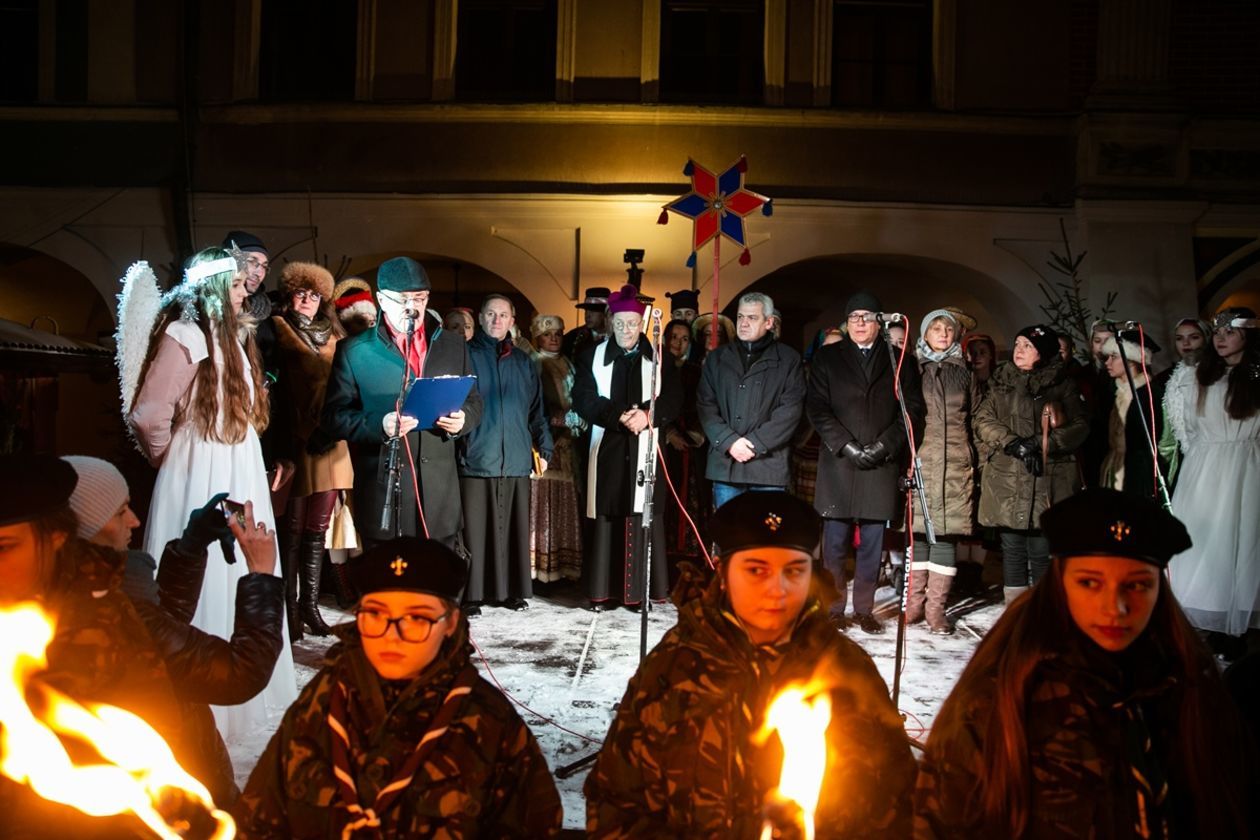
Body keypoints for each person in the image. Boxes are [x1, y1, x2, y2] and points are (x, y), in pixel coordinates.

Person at [914, 488, 1253, 839]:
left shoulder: (1191, 690)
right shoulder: (1000, 697)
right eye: (1090, 582)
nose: (1115, 607)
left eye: (1137, 585)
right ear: (1059, 584)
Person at [585, 490, 916, 837]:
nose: (777, 589)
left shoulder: (848, 671)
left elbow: (899, 805)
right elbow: (615, 804)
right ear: (723, 574)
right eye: (756, 570)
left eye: (794, 571)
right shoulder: (675, 667)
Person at [233, 537, 564, 838]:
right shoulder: (323, 701)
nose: (392, 635)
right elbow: (259, 820)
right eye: (376, 615)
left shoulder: (489, 721)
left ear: (450, 623)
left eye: (417, 618)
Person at [128, 246, 297, 739]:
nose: (245, 291)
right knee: (201, 571)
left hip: (237, 461)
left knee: (239, 564)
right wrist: (172, 458)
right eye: (236, 284)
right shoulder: (186, 335)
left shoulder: (235, 338)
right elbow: (149, 415)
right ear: (213, 288)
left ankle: (238, 672)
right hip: (199, 464)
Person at [62, 454, 286, 806]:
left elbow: (164, 632)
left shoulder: (113, 595)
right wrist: (260, 574)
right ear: (85, 531)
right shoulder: (113, 613)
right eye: (120, 512)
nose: (135, 520)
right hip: (179, 798)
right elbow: (240, 672)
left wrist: (190, 548)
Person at [322, 256, 483, 548]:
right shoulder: (354, 351)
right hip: (384, 495)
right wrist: (379, 425)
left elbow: (474, 402)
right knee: (386, 576)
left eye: (420, 298)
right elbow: (333, 418)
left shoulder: (452, 344)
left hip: (439, 499)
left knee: (439, 576)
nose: (413, 307)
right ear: (382, 300)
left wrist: (463, 420)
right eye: (403, 299)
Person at [806, 291, 925, 635]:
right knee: (834, 544)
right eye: (853, 317)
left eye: (867, 316)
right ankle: (833, 608)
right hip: (840, 462)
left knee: (873, 543)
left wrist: (884, 446)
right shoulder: (828, 357)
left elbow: (911, 411)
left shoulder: (899, 359)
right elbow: (817, 408)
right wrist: (847, 446)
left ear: (879, 322)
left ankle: (864, 609)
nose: (859, 323)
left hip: (880, 462)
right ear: (847, 323)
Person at [572, 285, 682, 611]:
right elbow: (583, 398)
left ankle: (638, 594)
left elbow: (674, 398)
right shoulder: (590, 356)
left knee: (641, 512)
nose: (625, 329)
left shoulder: (660, 358)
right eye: (619, 323)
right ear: (610, 322)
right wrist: (619, 416)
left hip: (646, 447)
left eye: (631, 323)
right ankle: (603, 593)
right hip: (606, 446)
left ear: (641, 323)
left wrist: (648, 416)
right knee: (606, 513)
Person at [270, 262, 355, 638]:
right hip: (297, 439)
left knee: (318, 528)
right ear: (289, 296)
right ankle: (289, 610)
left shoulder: (335, 334)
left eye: (314, 295)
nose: (306, 300)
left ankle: (310, 606)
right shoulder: (277, 328)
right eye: (300, 293)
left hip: (333, 440)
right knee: (292, 527)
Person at [973, 324, 1087, 603]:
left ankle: (1041, 608)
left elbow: (1079, 426)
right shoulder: (1001, 381)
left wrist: (1039, 442)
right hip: (1007, 475)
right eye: (1017, 344)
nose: (1019, 350)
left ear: (1043, 352)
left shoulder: (1062, 384)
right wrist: (1012, 442)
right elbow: (983, 420)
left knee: (1040, 548)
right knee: (1011, 549)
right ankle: (1016, 610)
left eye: (1028, 346)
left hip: (1047, 479)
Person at [1167, 307, 1260, 642]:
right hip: (1205, 467)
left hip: (1246, 464)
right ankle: (1209, 615)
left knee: (1242, 538)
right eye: (1217, 332)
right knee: (1206, 539)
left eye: (1230, 332)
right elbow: (1189, 427)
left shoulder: (1255, 377)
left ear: (1248, 335)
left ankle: (1238, 623)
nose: (1221, 338)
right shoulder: (1200, 376)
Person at [459, 294, 553, 614]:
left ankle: (510, 592)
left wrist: (545, 446)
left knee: (513, 530)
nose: (496, 320)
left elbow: (537, 410)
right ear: (481, 318)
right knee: (475, 532)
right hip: (477, 457)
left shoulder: (524, 362)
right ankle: (472, 595)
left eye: (503, 315)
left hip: (515, 458)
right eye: (491, 314)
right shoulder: (466, 356)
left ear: (513, 321)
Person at [906, 310, 979, 635]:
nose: (943, 333)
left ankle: (936, 610)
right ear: (925, 334)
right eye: (936, 328)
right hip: (922, 458)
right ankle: (913, 605)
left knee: (946, 535)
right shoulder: (913, 370)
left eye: (948, 328)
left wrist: (972, 455)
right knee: (920, 533)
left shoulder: (964, 373)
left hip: (955, 463)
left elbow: (976, 415)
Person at [697, 291, 806, 507]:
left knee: (766, 529)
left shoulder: (789, 360)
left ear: (769, 322)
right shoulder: (717, 358)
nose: (744, 323)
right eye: (740, 317)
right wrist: (729, 442)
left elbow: (790, 412)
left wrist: (755, 444)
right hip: (726, 465)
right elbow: (705, 405)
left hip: (768, 469)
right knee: (727, 528)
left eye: (752, 317)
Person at [529, 314, 585, 583]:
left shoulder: (568, 363)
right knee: (545, 504)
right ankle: (541, 569)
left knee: (565, 502)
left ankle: (563, 568)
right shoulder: (535, 363)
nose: (553, 339)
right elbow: (535, 406)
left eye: (558, 334)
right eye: (547, 334)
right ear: (537, 337)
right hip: (548, 443)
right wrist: (559, 423)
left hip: (570, 444)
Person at [661, 318, 708, 564]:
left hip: (690, 443)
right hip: (663, 444)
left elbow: (705, 405)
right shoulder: (655, 369)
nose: (678, 343)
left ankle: (688, 551)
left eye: (685, 339)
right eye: (674, 337)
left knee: (689, 494)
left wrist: (697, 433)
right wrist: (669, 434)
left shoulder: (695, 371)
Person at [1098, 331, 1165, 500]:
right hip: (1115, 468)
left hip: (1139, 473)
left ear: (1131, 360)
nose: (1107, 362)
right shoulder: (1115, 392)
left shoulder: (1149, 394)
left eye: (1114, 357)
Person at [1157, 317, 1213, 487]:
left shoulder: (1216, 375)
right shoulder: (1170, 379)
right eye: (1179, 338)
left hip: (1211, 455)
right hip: (1184, 455)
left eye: (1194, 337)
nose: (1186, 343)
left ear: (1207, 338)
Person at [561, 286, 610, 361]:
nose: (587, 315)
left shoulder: (619, 336)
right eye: (586, 311)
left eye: (593, 311)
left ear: (605, 313)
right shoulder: (572, 338)